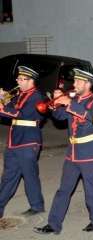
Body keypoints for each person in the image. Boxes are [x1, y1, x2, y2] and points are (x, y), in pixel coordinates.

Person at [34, 69, 93, 234]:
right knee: (63, 189)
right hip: (72, 152)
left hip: (88, 152)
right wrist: (55, 102)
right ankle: (53, 224)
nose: (74, 84)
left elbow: (92, 118)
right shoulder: (74, 99)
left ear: (88, 84)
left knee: (91, 188)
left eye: (79, 82)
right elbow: (59, 117)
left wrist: (69, 103)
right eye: (75, 81)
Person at [0, 66, 45, 218]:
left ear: (31, 80)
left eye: (21, 79)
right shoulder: (20, 94)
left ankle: (37, 205)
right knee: (8, 176)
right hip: (15, 141)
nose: (17, 81)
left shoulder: (36, 97)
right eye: (18, 78)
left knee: (29, 175)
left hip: (28, 141)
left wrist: (2, 107)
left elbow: (20, 114)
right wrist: (4, 98)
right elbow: (11, 108)